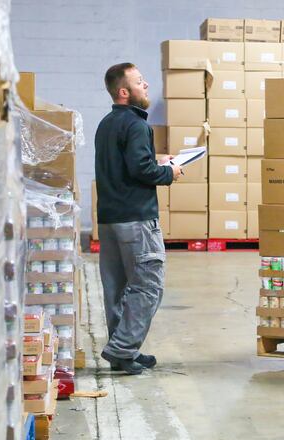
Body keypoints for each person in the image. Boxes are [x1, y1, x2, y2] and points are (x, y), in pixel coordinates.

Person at [95, 62, 182, 374]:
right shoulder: (136, 124)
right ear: (124, 92)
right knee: (148, 286)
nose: (146, 86)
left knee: (117, 289)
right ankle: (122, 348)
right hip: (136, 219)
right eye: (140, 82)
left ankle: (122, 352)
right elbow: (142, 171)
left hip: (109, 219)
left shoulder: (107, 124)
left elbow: (127, 163)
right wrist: (169, 171)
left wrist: (156, 158)